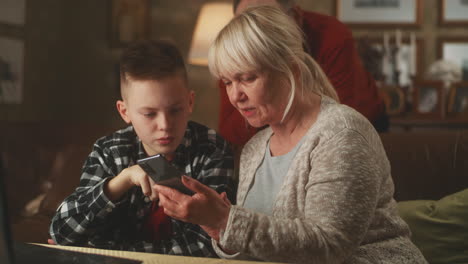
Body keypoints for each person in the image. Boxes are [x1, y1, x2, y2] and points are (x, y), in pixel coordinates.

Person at [153, 6, 427, 263]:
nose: (236, 96)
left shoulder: (342, 134)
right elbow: (258, 245)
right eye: (227, 82)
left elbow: (331, 246)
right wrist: (217, 227)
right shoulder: (255, 149)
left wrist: (227, 221)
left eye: (247, 78)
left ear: (291, 70)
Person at [48, 40, 236, 257]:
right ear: (124, 111)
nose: (165, 125)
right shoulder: (109, 150)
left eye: (175, 110)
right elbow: (61, 232)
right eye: (149, 114)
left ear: (190, 102)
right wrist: (122, 180)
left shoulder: (212, 148)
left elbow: (208, 247)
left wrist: (103, 251)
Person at [218, 0, 388, 147]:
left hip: (369, 121)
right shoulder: (236, 59)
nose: (253, 39)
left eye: (266, 25)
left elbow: (341, 119)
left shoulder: (333, 35)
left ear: (296, 17)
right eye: (244, 24)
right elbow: (230, 133)